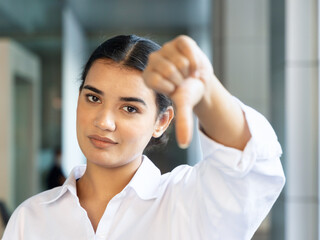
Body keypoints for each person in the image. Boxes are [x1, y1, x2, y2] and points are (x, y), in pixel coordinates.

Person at [2, 35, 285, 240]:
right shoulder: (31, 218)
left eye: (129, 108)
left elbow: (248, 167)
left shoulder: (186, 204)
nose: (104, 121)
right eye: (93, 97)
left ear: (161, 121)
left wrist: (208, 90)